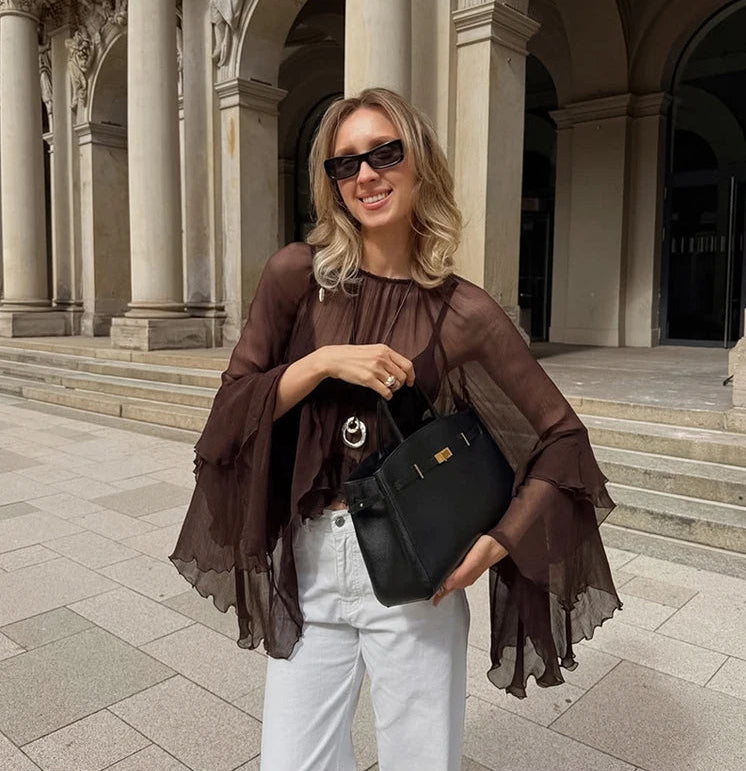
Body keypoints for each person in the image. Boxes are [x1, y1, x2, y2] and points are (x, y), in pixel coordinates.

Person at [170, 87, 621, 771]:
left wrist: (499, 542)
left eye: (385, 152)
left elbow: (562, 440)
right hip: (314, 560)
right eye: (345, 164)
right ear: (332, 184)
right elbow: (229, 415)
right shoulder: (297, 277)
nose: (367, 175)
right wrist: (321, 363)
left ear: (420, 162)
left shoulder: (463, 310)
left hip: (416, 572)